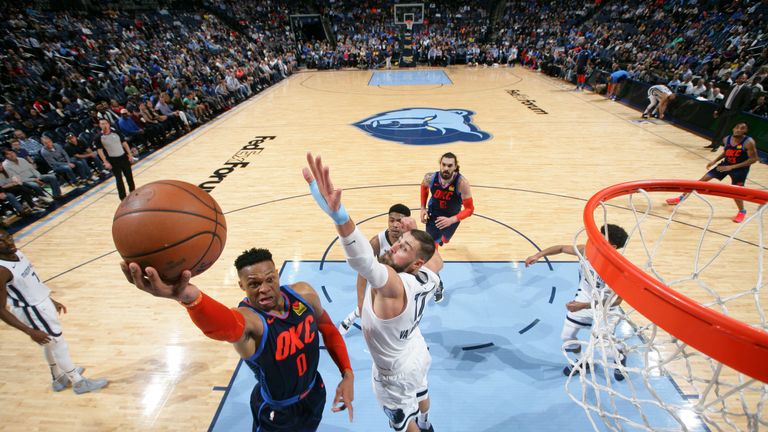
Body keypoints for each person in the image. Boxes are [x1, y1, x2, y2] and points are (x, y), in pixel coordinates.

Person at [121, 248, 354, 431]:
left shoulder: (303, 294)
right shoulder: (250, 321)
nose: (264, 288)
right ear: (241, 286)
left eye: (269, 279)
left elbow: (328, 329)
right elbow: (224, 326)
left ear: (277, 276)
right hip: (278, 413)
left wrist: (347, 372)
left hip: (315, 392)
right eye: (253, 284)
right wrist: (189, 297)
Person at [304, 152, 443, 432]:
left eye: (403, 248)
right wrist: (416, 235)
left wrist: (339, 216)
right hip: (415, 349)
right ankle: (427, 423)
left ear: (415, 263)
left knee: (403, 427)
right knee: (421, 393)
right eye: (399, 240)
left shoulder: (392, 285)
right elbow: (436, 261)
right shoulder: (426, 276)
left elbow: (362, 260)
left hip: (394, 373)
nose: (393, 246)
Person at [0, 228, 108, 394]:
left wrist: (50, 299)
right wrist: (29, 331)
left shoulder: (17, 253)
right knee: (58, 344)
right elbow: (1, 310)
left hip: (41, 303)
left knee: (50, 343)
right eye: (1, 241)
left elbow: (31, 282)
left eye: (7, 236)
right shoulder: (2, 270)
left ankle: (58, 377)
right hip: (32, 310)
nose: (8, 242)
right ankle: (78, 382)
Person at [524, 224, 629, 381]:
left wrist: (584, 306)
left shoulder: (618, 269)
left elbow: (617, 300)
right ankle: (582, 361)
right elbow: (560, 248)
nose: (595, 239)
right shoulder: (587, 251)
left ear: (612, 246)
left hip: (606, 307)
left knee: (604, 349)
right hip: (584, 298)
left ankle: (620, 354)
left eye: (601, 237)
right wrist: (538, 255)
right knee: (567, 337)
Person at [338, 203, 412, 335]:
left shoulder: (413, 240)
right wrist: (360, 301)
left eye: (399, 221)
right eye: (391, 220)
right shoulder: (377, 242)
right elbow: (362, 272)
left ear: (407, 222)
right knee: (372, 309)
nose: (395, 224)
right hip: (382, 282)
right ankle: (354, 315)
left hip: (402, 283)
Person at [666, 122, 758, 223]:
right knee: (701, 181)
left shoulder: (748, 142)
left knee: (736, 192)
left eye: (742, 129)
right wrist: (714, 161)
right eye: (737, 128)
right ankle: (681, 198)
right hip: (725, 165)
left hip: (739, 170)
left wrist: (732, 167)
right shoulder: (726, 139)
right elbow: (726, 152)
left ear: (745, 131)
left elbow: (753, 159)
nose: (738, 130)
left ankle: (742, 211)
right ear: (733, 128)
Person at [419, 152, 473, 302]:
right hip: (433, 218)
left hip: (452, 219)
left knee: (445, 240)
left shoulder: (462, 183)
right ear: (440, 164)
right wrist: (422, 207)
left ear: (455, 167)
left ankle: (441, 240)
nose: (446, 168)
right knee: (431, 250)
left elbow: (470, 209)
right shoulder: (431, 177)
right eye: (444, 165)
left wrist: (451, 220)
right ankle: (438, 284)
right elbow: (423, 186)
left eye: (450, 165)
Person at [706, 72, 753, 151]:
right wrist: (718, 110)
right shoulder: (732, 86)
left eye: (744, 78)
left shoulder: (747, 89)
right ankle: (713, 143)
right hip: (724, 110)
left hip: (732, 112)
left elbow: (745, 103)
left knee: (724, 130)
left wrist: (736, 112)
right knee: (719, 128)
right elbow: (725, 99)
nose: (742, 79)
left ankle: (717, 146)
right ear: (737, 78)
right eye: (741, 77)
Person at [93, 118, 136, 200]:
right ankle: (123, 198)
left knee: (129, 176)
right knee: (119, 179)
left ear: (108, 124)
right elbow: (100, 151)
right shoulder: (99, 137)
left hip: (123, 157)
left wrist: (130, 155)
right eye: (102, 124)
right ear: (99, 125)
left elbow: (124, 143)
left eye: (105, 123)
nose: (104, 125)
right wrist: (105, 161)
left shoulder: (116, 132)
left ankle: (133, 192)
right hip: (113, 160)